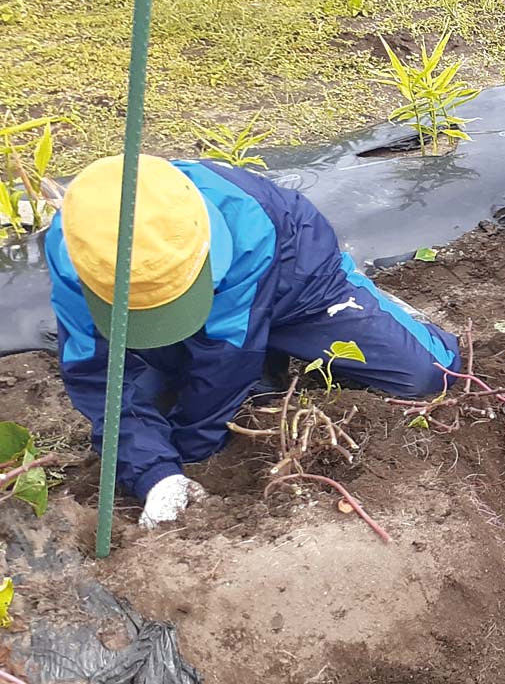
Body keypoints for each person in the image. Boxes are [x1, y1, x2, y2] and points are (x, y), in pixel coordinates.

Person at [46, 156, 460, 529]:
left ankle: (381, 313)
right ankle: (256, 364)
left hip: (297, 283)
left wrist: (193, 453)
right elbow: (96, 375)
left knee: (428, 373)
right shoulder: (79, 254)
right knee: (150, 410)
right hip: (223, 318)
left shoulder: (241, 227)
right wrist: (156, 474)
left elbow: (225, 361)